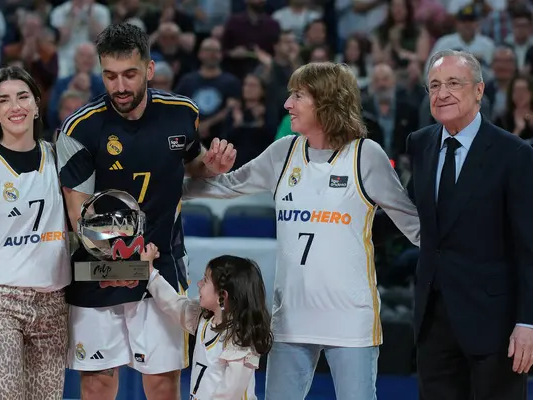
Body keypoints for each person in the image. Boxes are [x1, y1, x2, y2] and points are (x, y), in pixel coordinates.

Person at [182, 62, 420, 400]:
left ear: (326, 101)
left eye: (298, 96)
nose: (287, 104)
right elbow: (222, 187)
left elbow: (414, 225)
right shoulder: (285, 151)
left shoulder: (366, 155)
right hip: (291, 319)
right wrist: (168, 189)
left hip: (351, 321)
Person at [55, 23, 236, 400]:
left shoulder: (182, 113)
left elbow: (192, 163)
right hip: (98, 268)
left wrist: (211, 166)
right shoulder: (79, 129)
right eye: (110, 75)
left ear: (149, 70)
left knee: (160, 380)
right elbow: (79, 216)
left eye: (130, 74)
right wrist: (121, 267)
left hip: (163, 263)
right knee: (100, 380)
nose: (120, 86)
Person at [405, 49, 533, 400]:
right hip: (433, 324)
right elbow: (408, 213)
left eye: (452, 83)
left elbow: (529, 248)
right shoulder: (420, 144)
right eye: (434, 85)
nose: (441, 93)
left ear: (479, 90)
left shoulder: (515, 154)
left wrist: (528, 323)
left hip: (496, 326)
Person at [0, 66, 71, 399]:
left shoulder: (58, 158)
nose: (15, 106)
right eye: (3, 100)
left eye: (22, 96)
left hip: (53, 302)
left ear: (36, 104)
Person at [136, 242, 272, 399]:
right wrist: (150, 271)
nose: (199, 284)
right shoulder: (204, 319)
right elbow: (173, 303)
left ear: (223, 296)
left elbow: (229, 394)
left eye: (205, 280)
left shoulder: (241, 340)